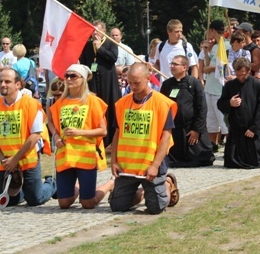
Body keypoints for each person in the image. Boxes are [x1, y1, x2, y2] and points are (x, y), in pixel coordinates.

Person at [110, 63, 179, 214]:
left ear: (148, 78)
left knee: (155, 208)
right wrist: (114, 161)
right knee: (117, 206)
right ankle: (143, 192)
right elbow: (117, 133)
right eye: (130, 82)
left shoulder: (162, 103)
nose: (133, 87)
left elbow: (166, 137)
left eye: (137, 83)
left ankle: (167, 183)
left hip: (151, 166)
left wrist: (155, 165)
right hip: (128, 167)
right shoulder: (122, 104)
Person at [0, 69, 56, 206]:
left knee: (35, 199)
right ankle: (22, 190)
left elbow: (35, 135)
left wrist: (15, 159)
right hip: (5, 162)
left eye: (7, 81)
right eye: (1, 81)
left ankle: (51, 183)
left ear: (18, 84)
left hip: (26, 159)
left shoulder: (31, 104)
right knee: (9, 201)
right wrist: (4, 160)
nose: (3, 84)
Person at [48, 64, 114, 209]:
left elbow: (103, 131)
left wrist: (80, 132)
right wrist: (56, 136)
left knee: (87, 203)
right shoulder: (60, 103)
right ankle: (78, 186)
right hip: (65, 156)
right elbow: (51, 122)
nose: (68, 79)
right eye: (67, 76)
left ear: (83, 79)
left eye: (73, 76)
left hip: (85, 156)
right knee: (63, 203)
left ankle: (110, 184)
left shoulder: (93, 101)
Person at [217, 57, 260, 168]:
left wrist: (254, 128)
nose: (240, 77)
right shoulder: (230, 85)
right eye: (238, 74)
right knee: (231, 162)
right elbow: (220, 104)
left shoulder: (258, 85)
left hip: (251, 130)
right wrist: (230, 103)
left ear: (249, 71)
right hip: (236, 131)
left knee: (253, 160)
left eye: (243, 74)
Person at [160, 55, 215, 167]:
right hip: (174, 129)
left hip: (191, 129)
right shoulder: (167, 84)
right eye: (171, 64)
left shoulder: (194, 83)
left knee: (198, 158)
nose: (172, 66)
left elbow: (202, 108)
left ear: (185, 67)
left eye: (175, 64)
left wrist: (197, 129)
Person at [79, 21, 122, 147]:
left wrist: (100, 48)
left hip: (107, 81)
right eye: (93, 31)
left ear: (103, 31)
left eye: (97, 31)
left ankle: (110, 139)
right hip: (93, 81)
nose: (94, 33)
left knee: (109, 106)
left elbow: (113, 58)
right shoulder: (87, 46)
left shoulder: (110, 43)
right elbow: (84, 61)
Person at [200, 20, 230, 151]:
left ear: (213, 30)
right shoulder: (214, 46)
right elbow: (206, 65)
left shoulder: (226, 45)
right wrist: (206, 51)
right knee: (211, 121)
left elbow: (222, 66)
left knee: (223, 120)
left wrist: (209, 68)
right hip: (210, 87)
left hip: (219, 88)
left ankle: (230, 145)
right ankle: (212, 145)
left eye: (209, 31)